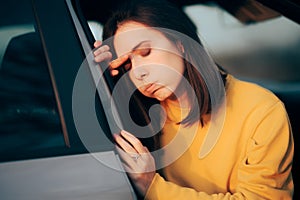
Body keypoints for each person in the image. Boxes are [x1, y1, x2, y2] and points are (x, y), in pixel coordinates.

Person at [93, 0, 294, 199]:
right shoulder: (139, 116)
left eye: (145, 52)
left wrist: (151, 186)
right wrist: (96, 78)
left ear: (180, 44)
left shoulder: (261, 110)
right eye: (127, 65)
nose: (138, 72)